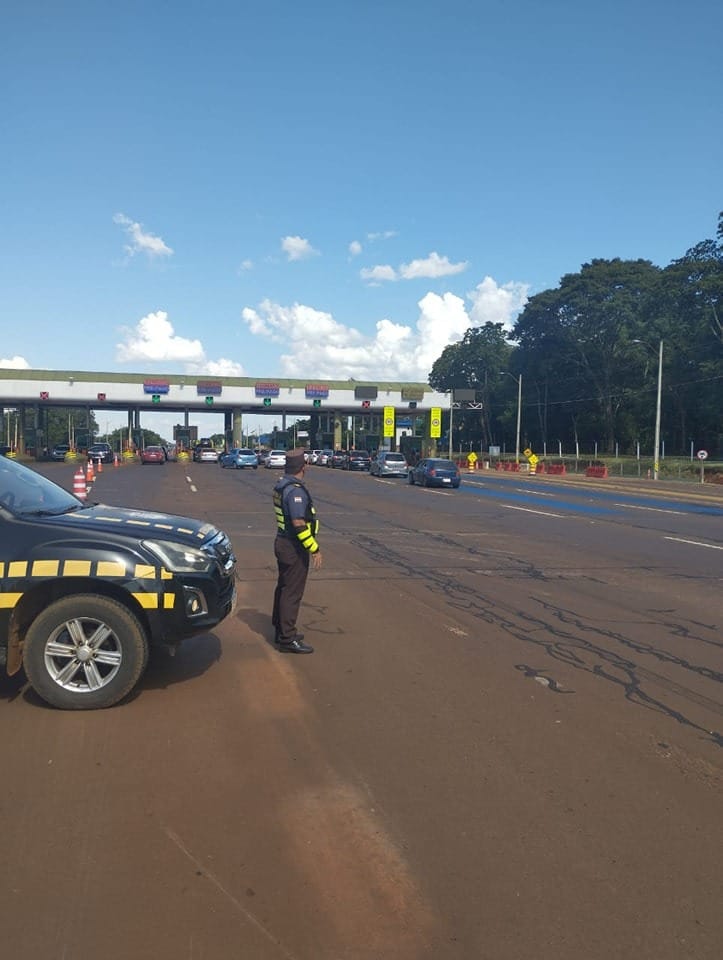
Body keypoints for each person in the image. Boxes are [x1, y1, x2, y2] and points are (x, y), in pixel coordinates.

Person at [271, 448, 322, 654]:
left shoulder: (282, 485)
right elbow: (299, 522)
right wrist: (313, 548)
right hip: (293, 546)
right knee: (292, 592)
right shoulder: (295, 491)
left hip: (283, 542)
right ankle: (287, 638)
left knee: (284, 588)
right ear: (303, 467)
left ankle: (280, 629)